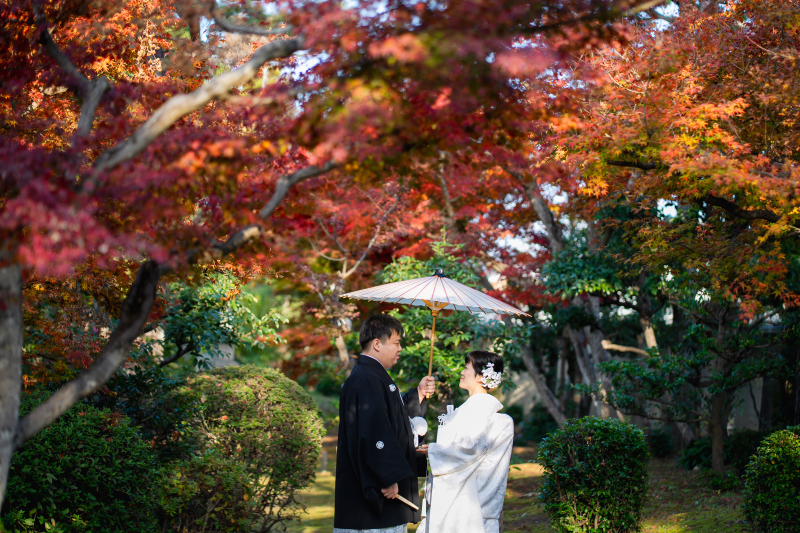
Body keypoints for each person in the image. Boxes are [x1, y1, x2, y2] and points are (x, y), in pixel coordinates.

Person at [333, 314, 436, 533]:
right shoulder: (366, 378)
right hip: (377, 491)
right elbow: (374, 433)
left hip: (381, 488)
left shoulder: (372, 376)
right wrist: (388, 476)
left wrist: (418, 394)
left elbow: (392, 419)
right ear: (377, 344)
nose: (400, 349)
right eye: (397, 343)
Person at [417, 350, 514, 533]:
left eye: (466, 367)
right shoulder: (472, 410)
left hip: (468, 504)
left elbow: (469, 450)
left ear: (480, 376)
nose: (462, 372)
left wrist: (435, 451)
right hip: (467, 503)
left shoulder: (481, 413)